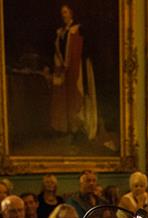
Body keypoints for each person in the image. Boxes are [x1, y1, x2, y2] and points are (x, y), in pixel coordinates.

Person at [50, 3, 97, 139]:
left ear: (71, 13)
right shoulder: (60, 32)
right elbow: (58, 50)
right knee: (63, 97)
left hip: (75, 68)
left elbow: (80, 50)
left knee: (75, 95)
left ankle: (76, 129)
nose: (63, 15)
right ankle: (65, 128)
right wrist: (61, 64)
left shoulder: (77, 29)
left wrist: (70, 63)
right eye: (62, 13)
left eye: (65, 12)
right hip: (63, 69)